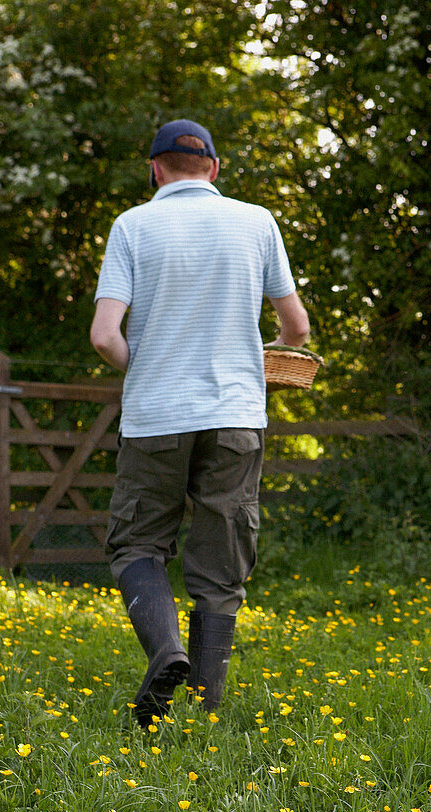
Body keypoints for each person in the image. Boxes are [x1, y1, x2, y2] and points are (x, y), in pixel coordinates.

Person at [90, 118, 309, 727]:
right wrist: (250, 366)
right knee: (220, 561)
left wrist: (149, 367)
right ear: (213, 169)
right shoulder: (256, 222)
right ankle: (205, 710)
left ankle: (166, 651)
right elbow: (297, 330)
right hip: (236, 416)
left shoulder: (133, 225)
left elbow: (105, 337)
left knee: (137, 542)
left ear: (154, 169)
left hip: (156, 416)